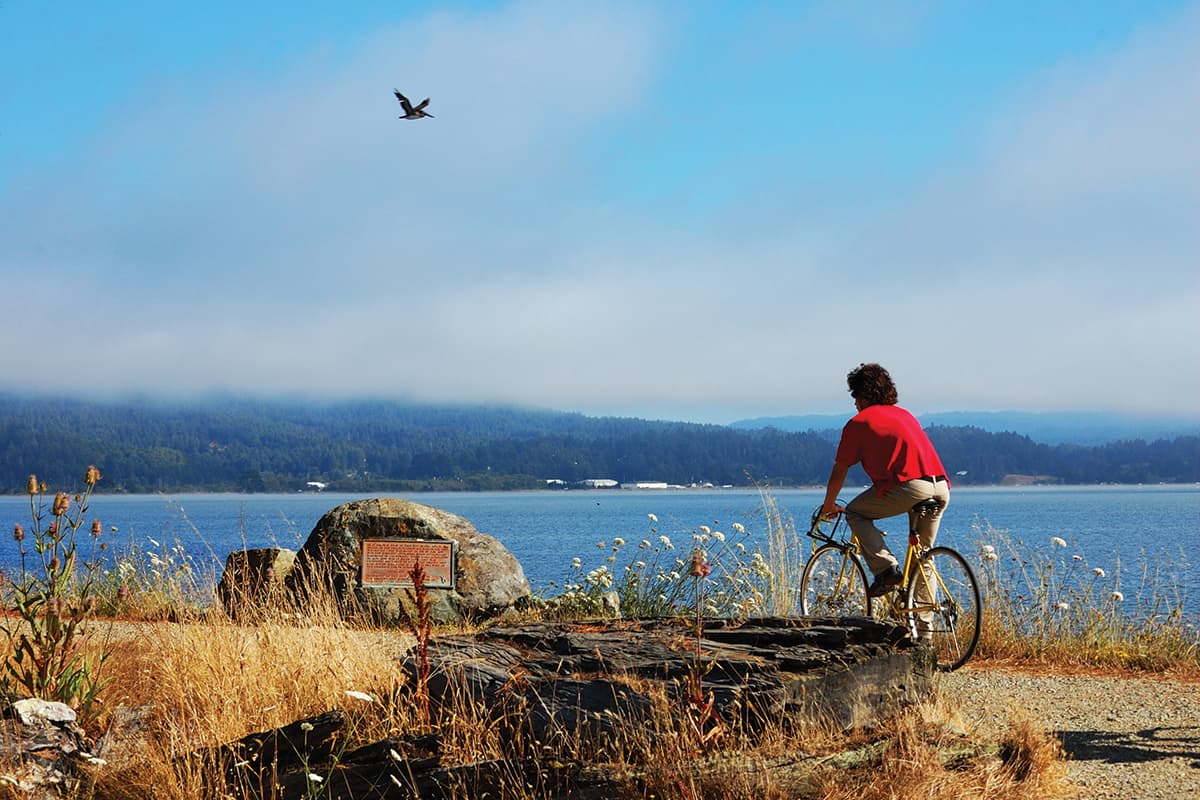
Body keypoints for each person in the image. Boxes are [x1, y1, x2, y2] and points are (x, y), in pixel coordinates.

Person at [820, 363, 950, 602]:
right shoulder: (905, 415)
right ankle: (923, 632)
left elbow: (840, 469)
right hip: (940, 486)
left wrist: (829, 504)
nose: (855, 402)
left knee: (855, 513)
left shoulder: (859, 423)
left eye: (856, 396)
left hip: (910, 486)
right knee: (923, 557)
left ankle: (886, 570)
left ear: (864, 395)